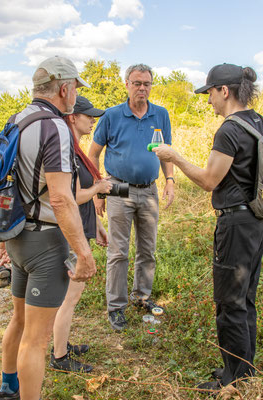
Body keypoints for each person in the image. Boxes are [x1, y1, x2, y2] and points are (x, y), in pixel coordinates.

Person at [152, 63, 263, 392]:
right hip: (258, 220)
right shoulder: (259, 122)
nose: (208, 102)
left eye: (210, 94)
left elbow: (208, 180)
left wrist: (175, 158)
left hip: (235, 224)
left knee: (229, 302)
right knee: (246, 299)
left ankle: (234, 380)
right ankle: (243, 372)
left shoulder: (229, 130)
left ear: (224, 91)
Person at [0, 56, 97, 400]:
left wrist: (2, 240)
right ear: (65, 88)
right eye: (76, 89)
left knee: (19, 322)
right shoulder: (55, 128)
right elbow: (61, 199)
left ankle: (8, 389)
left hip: (18, 237)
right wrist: (83, 252)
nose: (75, 95)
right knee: (37, 339)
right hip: (45, 244)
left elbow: (3, 184)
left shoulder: (16, 120)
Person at [88, 63, 175, 332]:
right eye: (137, 83)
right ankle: (116, 306)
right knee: (118, 251)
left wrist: (170, 180)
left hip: (148, 189)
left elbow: (166, 152)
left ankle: (142, 296)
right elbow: (92, 154)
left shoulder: (160, 115)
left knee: (147, 249)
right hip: (118, 188)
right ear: (126, 84)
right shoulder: (112, 116)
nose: (142, 88)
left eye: (147, 84)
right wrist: (98, 190)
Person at [50, 96, 111, 373]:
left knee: (68, 296)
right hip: (68, 235)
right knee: (70, 297)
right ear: (73, 117)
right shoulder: (68, 152)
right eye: (88, 115)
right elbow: (72, 196)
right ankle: (60, 357)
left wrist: (96, 226)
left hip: (80, 230)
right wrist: (98, 189)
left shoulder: (74, 150)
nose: (92, 120)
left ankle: (61, 344)